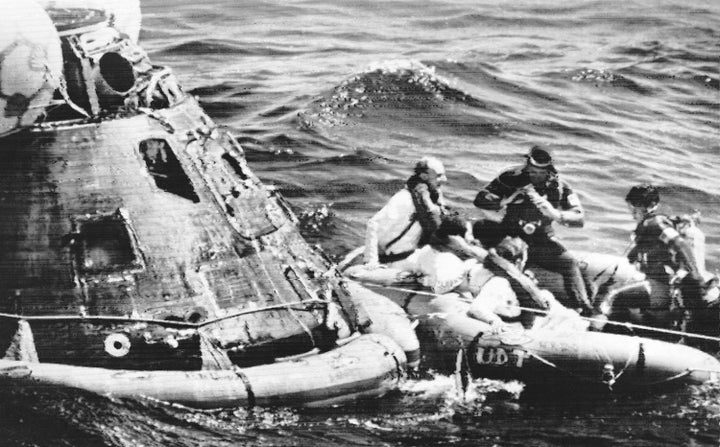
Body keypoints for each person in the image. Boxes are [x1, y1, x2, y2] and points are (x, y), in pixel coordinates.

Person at [473, 145, 594, 315]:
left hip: (541, 239)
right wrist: (507, 200)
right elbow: (480, 199)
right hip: (512, 234)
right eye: (533, 171)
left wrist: (555, 214)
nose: (536, 176)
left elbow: (579, 218)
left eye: (541, 172)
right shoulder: (510, 177)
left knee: (569, 263)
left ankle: (584, 309)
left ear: (550, 170)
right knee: (507, 256)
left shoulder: (559, 187)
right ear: (527, 165)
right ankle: (513, 306)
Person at [624, 184, 707, 332]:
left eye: (635, 209)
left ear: (647, 207)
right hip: (659, 278)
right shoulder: (650, 224)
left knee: (616, 300)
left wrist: (695, 274)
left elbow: (680, 245)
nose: (632, 214)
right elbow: (649, 244)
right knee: (653, 314)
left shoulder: (656, 224)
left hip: (667, 280)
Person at [466, 236, 584, 332]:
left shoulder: (510, 279)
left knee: (562, 309)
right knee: (570, 318)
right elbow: (477, 308)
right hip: (520, 328)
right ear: (518, 262)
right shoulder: (499, 283)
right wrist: (495, 322)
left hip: (531, 320)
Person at [364, 156, 447, 268]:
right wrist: (372, 260)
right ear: (424, 176)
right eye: (439, 176)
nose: (445, 179)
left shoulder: (434, 200)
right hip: (395, 260)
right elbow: (373, 224)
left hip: (413, 255)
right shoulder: (404, 199)